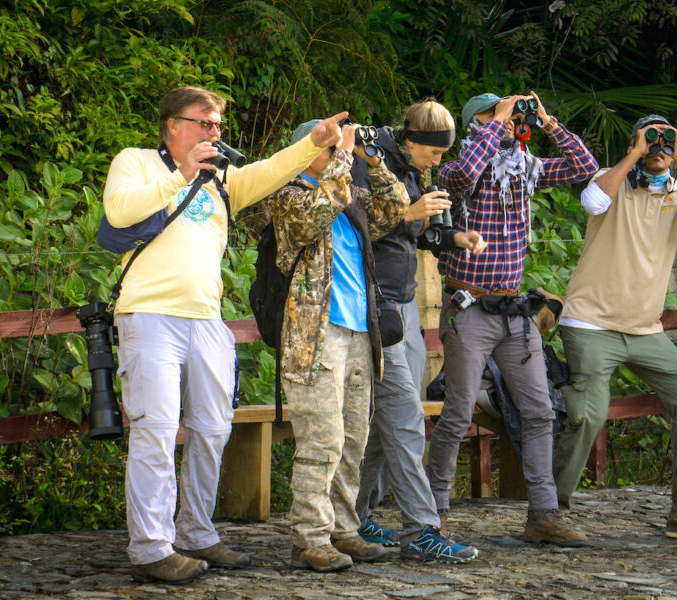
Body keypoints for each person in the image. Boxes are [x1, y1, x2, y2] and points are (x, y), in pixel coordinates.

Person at [103, 86, 346, 584]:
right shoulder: (136, 162)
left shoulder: (222, 179)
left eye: (218, 126)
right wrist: (182, 174)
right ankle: (150, 547)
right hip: (149, 315)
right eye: (204, 123)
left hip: (207, 321)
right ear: (174, 125)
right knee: (156, 427)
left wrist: (313, 143)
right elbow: (119, 214)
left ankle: (195, 533)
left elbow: (270, 170)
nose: (215, 133)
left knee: (214, 427)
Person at [426, 92, 598, 546]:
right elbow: (465, 174)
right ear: (474, 125)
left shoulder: (524, 168)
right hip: (470, 309)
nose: (507, 120)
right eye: (493, 114)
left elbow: (584, 168)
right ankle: (434, 512)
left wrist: (546, 121)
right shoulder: (457, 168)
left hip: (516, 313)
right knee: (459, 412)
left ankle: (543, 514)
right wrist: (496, 123)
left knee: (540, 411)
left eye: (509, 113)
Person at [552, 114, 677, 546]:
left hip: (646, 330)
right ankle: (550, 509)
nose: (659, 146)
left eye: (666, 139)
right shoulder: (610, 180)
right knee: (586, 413)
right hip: (590, 321)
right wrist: (635, 152)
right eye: (652, 138)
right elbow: (593, 202)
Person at [267, 119, 408, 572]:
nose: (340, 155)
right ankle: (308, 537)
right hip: (314, 334)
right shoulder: (289, 196)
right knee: (322, 440)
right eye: (331, 148)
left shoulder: (347, 196)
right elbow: (312, 217)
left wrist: (374, 158)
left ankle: (343, 528)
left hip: (360, 333)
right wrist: (342, 160)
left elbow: (396, 209)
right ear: (307, 152)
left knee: (353, 438)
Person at [352, 100, 481, 563]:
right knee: (405, 417)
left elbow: (414, 235)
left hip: (404, 304)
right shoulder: (367, 158)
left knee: (388, 421)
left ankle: (355, 516)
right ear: (409, 141)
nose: (438, 162)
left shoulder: (409, 165)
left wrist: (452, 237)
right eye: (434, 153)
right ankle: (421, 530)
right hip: (373, 305)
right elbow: (355, 221)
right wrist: (412, 210)